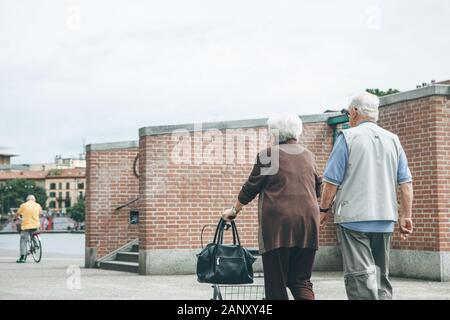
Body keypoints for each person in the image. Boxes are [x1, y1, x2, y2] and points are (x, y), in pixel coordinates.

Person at [319, 92, 414, 300]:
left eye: (348, 112)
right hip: (385, 218)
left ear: (354, 112)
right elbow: (406, 183)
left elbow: (331, 182)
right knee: (380, 277)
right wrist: (406, 215)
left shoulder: (347, 137)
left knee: (360, 278)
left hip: (354, 220)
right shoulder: (393, 140)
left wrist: (323, 209)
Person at [222, 114, 321, 300]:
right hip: (308, 224)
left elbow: (251, 188)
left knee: (276, 284)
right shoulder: (309, 156)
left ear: (275, 133)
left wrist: (233, 210)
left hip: (278, 227)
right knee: (301, 280)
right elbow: (318, 188)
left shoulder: (268, 155)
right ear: (297, 132)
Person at [14, 195, 42, 263]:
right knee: (34, 234)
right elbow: (40, 214)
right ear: (34, 200)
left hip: (26, 226)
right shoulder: (38, 205)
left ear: (27, 200)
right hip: (35, 225)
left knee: (23, 240)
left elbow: (17, 213)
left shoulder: (23, 205)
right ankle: (36, 245)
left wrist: (15, 218)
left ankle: (23, 257)